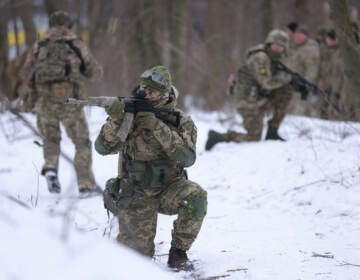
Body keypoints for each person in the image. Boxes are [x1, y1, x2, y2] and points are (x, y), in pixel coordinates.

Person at [95, 65, 207, 270]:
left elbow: (187, 158)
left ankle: (178, 254)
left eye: (152, 92)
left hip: (168, 189)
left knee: (196, 196)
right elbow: (102, 148)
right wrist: (116, 120)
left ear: (165, 93)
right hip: (136, 191)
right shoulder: (129, 116)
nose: (146, 95)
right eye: (143, 90)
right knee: (136, 261)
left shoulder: (181, 120)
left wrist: (155, 125)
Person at [20, 11, 103, 195]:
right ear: (69, 24)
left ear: (50, 25)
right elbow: (94, 72)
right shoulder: (76, 44)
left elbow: (26, 73)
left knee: (51, 139)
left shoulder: (40, 45)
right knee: (81, 142)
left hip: (45, 102)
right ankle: (85, 184)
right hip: (70, 103)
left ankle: (50, 167)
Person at [205, 29, 304, 151]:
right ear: (269, 44)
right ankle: (219, 137)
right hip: (247, 102)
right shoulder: (260, 57)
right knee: (253, 137)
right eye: (275, 46)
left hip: (258, 98)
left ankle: (272, 131)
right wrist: (288, 79)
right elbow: (266, 83)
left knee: (287, 90)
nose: (277, 50)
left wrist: (295, 84)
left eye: (281, 48)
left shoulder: (273, 59)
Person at [286, 25, 320, 117]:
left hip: (301, 85)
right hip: (289, 84)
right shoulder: (292, 47)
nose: (298, 37)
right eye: (297, 35)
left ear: (306, 37)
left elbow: (312, 70)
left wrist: (306, 84)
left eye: (301, 35)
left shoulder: (310, 50)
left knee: (298, 112)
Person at [316, 29, 344, 119]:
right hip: (324, 82)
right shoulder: (324, 51)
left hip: (337, 84)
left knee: (335, 106)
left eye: (330, 39)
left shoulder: (341, 52)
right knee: (322, 105)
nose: (328, 41)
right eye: (327, 39)